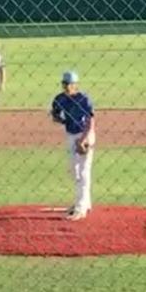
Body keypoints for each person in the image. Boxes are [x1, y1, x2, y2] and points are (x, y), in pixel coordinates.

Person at [51, 70, 96, 221]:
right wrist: (60, 119)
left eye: (70, 84)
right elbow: (55, 114)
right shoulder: (59, 99)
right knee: (74, 170)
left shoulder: (84, 99)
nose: (67, 87)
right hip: (71, 135)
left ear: (76, 84)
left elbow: (90, 122)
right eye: (64, 84)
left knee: (83, 171)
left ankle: (80, 208)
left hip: (85, 134)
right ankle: (85, 202)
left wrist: (83, 140)